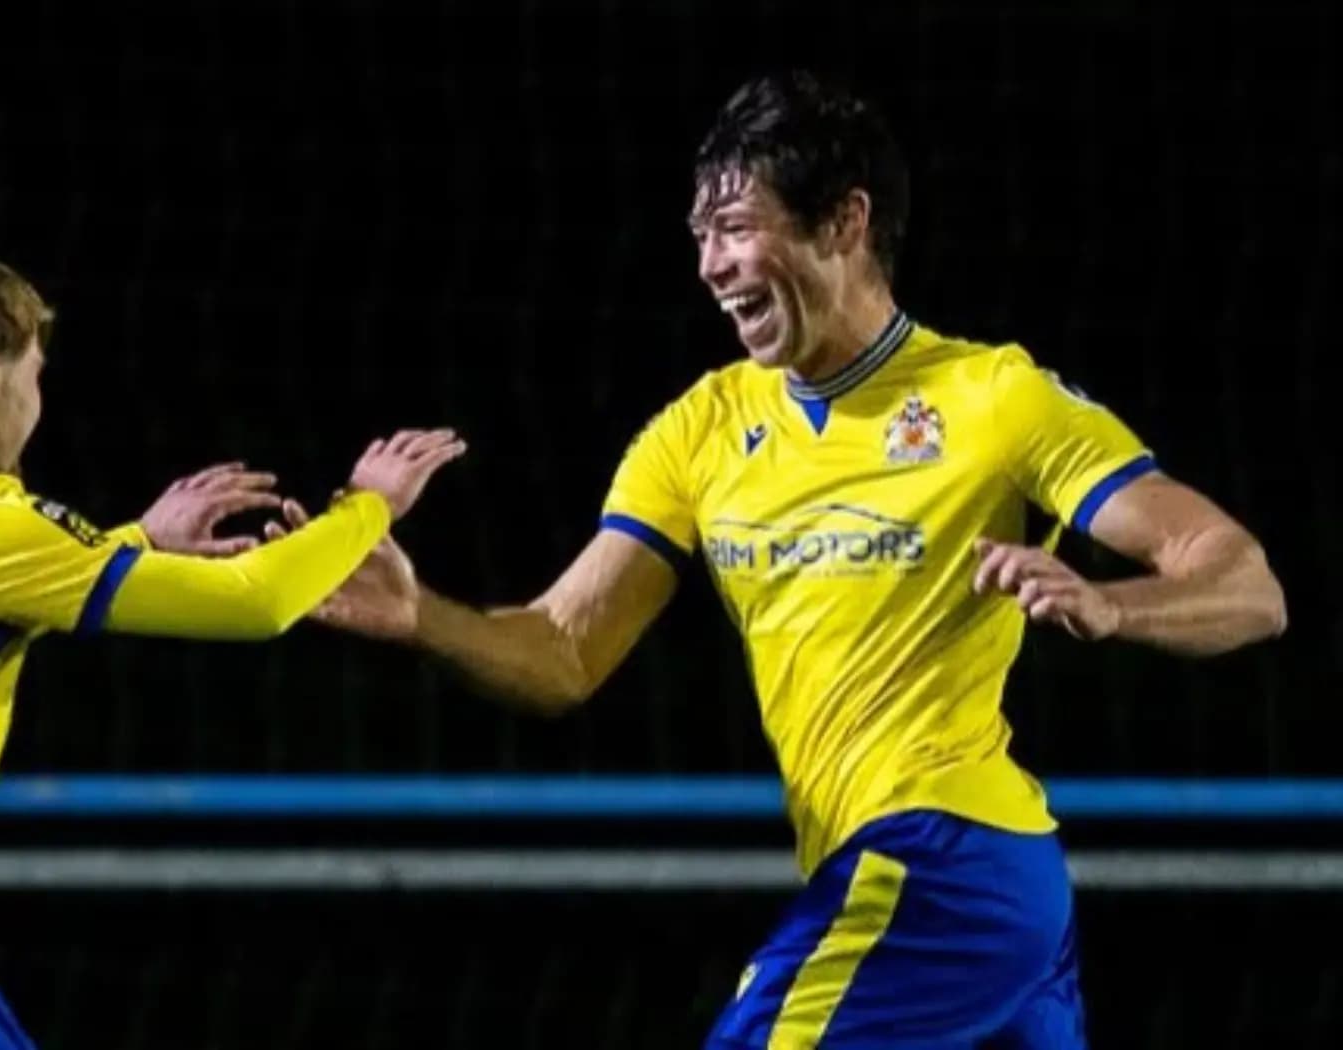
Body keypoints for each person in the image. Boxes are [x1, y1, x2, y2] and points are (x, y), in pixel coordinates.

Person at [281, 72, 1287, 1047]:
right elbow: (562, 651)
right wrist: (423, 616)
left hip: (941, 858)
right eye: (699, 236)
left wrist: (1118, 608)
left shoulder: (993, 399)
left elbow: (1242, 582)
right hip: (959, 893)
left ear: (844, 223)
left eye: (735, 227)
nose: (710, 264)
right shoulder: (701, 430)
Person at [0, 239, 464, 1047]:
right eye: (33, 375)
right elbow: (256, 601)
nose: (33, 399)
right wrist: (365, 507)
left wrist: (133, 545)